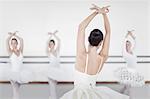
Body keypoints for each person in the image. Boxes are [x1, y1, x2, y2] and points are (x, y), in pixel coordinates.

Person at [60, 4, 129, 99]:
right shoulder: (102, 58)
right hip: (94, 94)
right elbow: (108, 32)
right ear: (101, 43)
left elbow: (81, 27)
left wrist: (96, 12)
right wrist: (104, 14)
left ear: (88, 39)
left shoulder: (81, 55)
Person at [114, 30, 145, 95]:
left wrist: (131, 35)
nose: (128, 45)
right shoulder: (125, 53)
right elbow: (123, 44)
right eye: (126, 45)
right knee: (129, 87)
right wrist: (127, 35)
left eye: (129, 44)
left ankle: (120, 93)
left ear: (131, 44)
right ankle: (128, 96)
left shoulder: (134, 51)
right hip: (129, 71)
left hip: (134, 71)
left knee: (127, 86)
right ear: (125, 46)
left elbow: (137, 42)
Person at [7, 31, 33, 99]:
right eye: (12, 43)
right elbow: (7, 41)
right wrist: (11, 35)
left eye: (15, 43)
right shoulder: (10, 51)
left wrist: (15, 35)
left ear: (17, 43)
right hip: (13, 74)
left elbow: (21, 40)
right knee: (16, 91)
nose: (13, 44)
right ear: (11, 44)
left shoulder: (21, 51)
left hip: (20, 74)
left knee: (16, 91)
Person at [46, 30, 62, 99]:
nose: (51, 45)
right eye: (50, 44)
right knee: (51, 85)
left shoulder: (57, 51)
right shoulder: (48, 52)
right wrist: (50, 36)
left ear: (54, 44)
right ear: (49, 45)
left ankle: (53, 97)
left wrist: (54, 34)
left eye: (52, 44)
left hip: (56, 70)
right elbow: (47, 43)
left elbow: (59, 41)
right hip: (51, 70)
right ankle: (52, 97)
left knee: (54, 85)